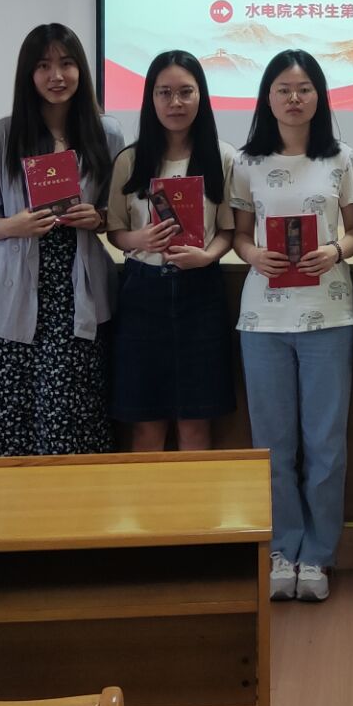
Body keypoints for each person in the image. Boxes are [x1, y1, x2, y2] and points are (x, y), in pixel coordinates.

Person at [230, 50, 353, 604]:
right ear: (267, 97)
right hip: (263, 318)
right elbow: (239, 235)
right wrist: (252, 255)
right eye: (283, 88)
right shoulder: (247, 161)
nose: (293, 97)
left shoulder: (342, 158)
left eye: (304, 88)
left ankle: (319, 553)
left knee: (326, 443)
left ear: (319, 97)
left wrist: (335, 250)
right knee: (273, 444)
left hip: (328, 313)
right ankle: (282, 547)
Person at [0, 22, 123, 457]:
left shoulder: (107, 133)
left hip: (77, 288)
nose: (57, 76)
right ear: (28, 74)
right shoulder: (2, 134)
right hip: (13, 289)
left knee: (68, 416)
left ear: (81, 70)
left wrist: (98, 217)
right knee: (5, 416)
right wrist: (10, 227)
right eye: (43, 66)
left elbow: (117, 214)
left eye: (67, 64)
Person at [104, 50, 237, 450]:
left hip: (201, 293)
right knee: (146, 425)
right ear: (151, 98)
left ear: (201, 96)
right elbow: (115, 230)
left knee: (195, 423)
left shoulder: (223, 157)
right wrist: (138, 241)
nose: (175, 102)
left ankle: (195, 498)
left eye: (185, 92)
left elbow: (228, 231)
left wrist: (207, 256)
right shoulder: (129, 160)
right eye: (164, 92)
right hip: (143, 294)